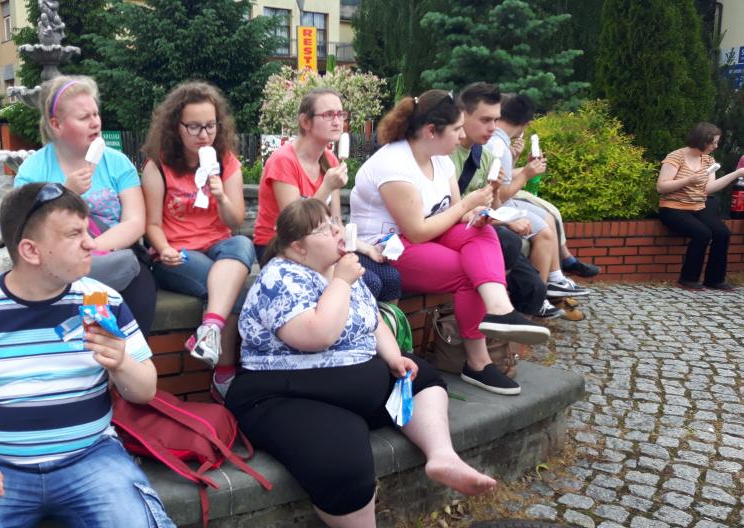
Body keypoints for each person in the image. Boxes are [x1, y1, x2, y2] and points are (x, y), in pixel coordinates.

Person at [0, 183, 173, 527]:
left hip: (92, 459)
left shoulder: (102, 301)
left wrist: (121, 363)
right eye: (74, 234)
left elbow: (145, 390)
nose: (91, 243)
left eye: (87, 230)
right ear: (30, 250)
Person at [227, 199, 496, 528]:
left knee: (421, 377)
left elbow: (373, 320)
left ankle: (442, 456)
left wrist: (394, 356)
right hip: (289, 392)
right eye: (324, 229)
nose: (336, 231)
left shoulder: (339, 270)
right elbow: (316, 335)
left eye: (335, 223)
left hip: (354, 384)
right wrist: (341, 282)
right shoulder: (279, 278)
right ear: (297, 246)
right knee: (342, 464)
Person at [350, 89, 550, 396]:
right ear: (431, 131)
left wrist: (481, 214)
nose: (462, 136)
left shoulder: (441, 161)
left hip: (427, 234)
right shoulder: (393, 165)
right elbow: (416, 231)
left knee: (481, 233)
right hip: (387, 246)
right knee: (467, 272)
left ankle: (499, 308)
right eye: (456, 129)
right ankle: (478, 363)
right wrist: (466, 206)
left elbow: (457, 213)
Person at [15, 75, 157, 337]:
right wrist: (64, 193)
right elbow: (21, 226)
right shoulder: (33, 169)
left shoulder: (117, 163)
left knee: (137, 293)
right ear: (57, 125)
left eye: (96, 114)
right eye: (84, 117)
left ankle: (126, 357)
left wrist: (93, 247)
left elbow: (135, 222)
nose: (95, 122)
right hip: (57, 265)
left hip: (114, 256)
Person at [140, 81, 254, 401]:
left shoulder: (226, 161)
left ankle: (209, 329)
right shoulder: (158, 166)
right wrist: (164, 249)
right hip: (178, 253)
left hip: (219, 245)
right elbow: (151, 224)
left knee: (242, 246)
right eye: (194, 127)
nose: (204, 135)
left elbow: (234, 222)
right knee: (233, 288)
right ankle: (224, 373)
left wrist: (221, 197)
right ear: (176, 127)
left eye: (210, 126)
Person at [253, 88, 401, 302]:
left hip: (322, 243)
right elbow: (294, 228)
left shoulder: (330, 160)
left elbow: (335, 222)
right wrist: (326, 186)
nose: (337, 121)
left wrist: (367, 248)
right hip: (283, 248)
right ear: (305, 122)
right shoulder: (283, 161)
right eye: (329, 114)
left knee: (390, 278)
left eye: (341, 114)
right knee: (369, 282)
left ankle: (384, 323)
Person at [453, 83, 590, 302]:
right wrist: (525, 175)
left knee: (545, 218)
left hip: (480, 218)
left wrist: (502, 183)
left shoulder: (485, 152)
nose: (493, 128)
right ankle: (543, 288)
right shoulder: (453, 152)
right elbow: (455, 208)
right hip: (464, 224)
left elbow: (493, 197)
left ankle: (547, 286)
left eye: (496, 120)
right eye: (486, 120)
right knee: (527, 234)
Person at [657, 122, 743, 290]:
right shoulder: (676, 157)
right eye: (713, 143)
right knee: (702, 233)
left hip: (697, 206)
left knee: (722, 233)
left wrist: (737, 174)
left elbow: (708, 189)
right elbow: (661, 187)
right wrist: (689, 180)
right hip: (673, 208)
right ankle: (687, 279)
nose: (716, 146)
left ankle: (715, 280)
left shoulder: (708, 160)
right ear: (701, 140)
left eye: (717, 142)